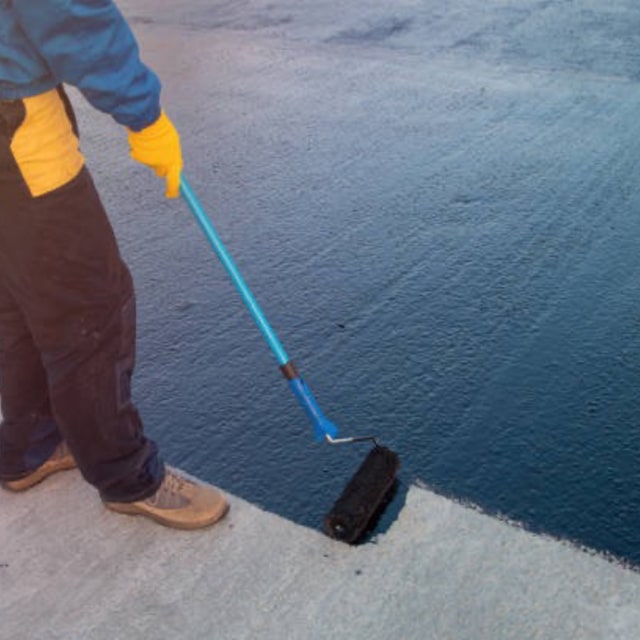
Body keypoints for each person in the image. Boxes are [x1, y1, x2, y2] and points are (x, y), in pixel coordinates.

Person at [0, 0, 229, 530]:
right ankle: (128, 477)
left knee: (21, 299)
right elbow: (70, 15)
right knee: (89, 311)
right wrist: (143, 115)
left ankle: (31, 446)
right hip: (15, 128)